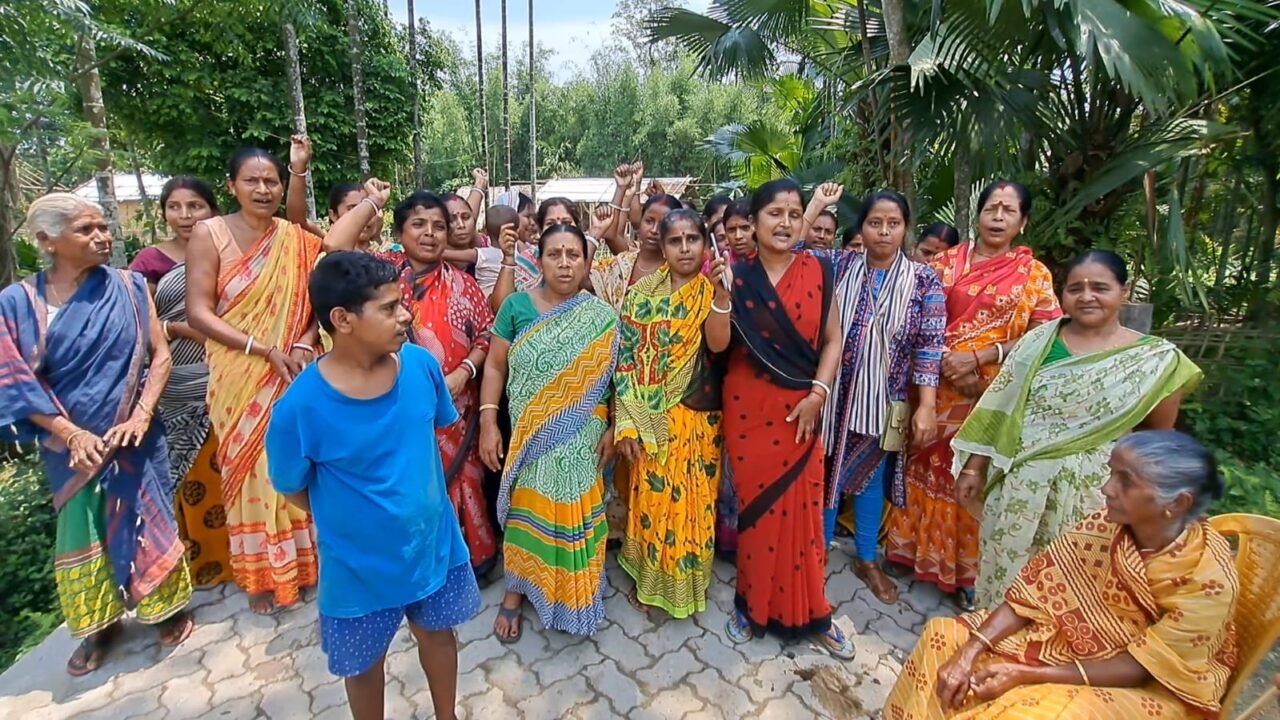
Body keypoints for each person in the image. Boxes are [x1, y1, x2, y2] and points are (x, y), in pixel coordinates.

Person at [885, 430, 1237, 719]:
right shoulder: (1106, 524)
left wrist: (1026, 674)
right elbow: (1030, 594)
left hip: (1153, 688)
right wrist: (970, 652)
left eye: (1125, 481)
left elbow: (1139, 668)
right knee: (945, 637)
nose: (1106, 489)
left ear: (1176, 503)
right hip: (1073, 647)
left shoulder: (1208, 580)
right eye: (1111, 473)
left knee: (1027, 713)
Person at [266, 252, 479, 720]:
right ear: (342, 320)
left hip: (432, 549)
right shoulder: (299, 409)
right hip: (357, 570)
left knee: (439, 636)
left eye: (402, 302)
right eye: (388, 308)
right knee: (363, 667)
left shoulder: (421, 367)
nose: (406, 315)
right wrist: (353, 522)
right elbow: (292, 487)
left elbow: (432, 433)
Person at [1, 193, 193, 675]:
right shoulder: (19, 303)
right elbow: (16, 378)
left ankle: (163, 606)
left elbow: (160, 354)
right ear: (47, 240)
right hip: (69, 445)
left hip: (134, 433)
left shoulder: (130, 287)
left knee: (149, 511)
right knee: (81, 525)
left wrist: (142, 414)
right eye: (86, 230)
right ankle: (98, 624)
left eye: (102, 226)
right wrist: (70, 434)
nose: (102, 236)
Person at [953, 250, 1202, 608]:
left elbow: (1156, 440)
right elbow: (999, 406)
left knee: (1072, 589)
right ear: (1062, 294)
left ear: (1124, 291)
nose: (1086, 296)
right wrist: (974, 466)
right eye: (1075, 288)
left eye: (1100, 287)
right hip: (1020, 487)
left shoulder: (1154, 361)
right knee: (1004, 582)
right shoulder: (1038, 342)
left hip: (1095, 495)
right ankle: (994, 652)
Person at [884, 180, 1063, 612]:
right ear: (978, 215)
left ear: (1023, 222)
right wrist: (948, 362)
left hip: (989, 395)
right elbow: (916, 315)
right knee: (921, 466)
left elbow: (1047, 338)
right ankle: (907, 552)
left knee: (971, 475)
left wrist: (982, 359)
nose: (998, 217)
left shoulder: (1034, 276)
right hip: (934, 387)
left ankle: (964, 573)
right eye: (992, 208)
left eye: (1009, 210)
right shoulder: (944, 264)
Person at [327, 183, 500, 578]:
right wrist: (373, 202)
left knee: (465, 483)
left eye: (438, 226)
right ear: (400, 233)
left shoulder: (463, 283)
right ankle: (417, 563)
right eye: (418, 224)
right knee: (408, 486)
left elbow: (488, 335)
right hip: (394, 408)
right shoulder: (379, 274)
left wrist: (464, 372)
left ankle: (474, 559)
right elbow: (335, 246)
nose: (430, 233)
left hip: (456, 408)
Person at [186, 146, 325, 614]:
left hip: (293, 370)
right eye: (252, 181)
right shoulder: (210, 234)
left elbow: (314, 305)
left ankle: (304, 566)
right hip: (239, 373)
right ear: (231, 186)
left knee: (292, 464)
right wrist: (259, 349)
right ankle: (262, 577)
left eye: (271, 182)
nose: (263, 190)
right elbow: (198, 311)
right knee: (248, 472)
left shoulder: (292, 239)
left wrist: (303, 343)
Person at [720, 179, 854, 659]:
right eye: (774, 213)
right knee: (758, 516)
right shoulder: (735, 276)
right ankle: (751, 606)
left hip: (803, 408)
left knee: (804, 514)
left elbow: (834, 339)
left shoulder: (821, 269)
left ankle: (814, 611)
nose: (785, 222)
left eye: (795, 213)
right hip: (748, 409)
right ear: (752, 222)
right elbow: (718, 346)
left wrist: (819, 392)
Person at [479, 224, 619, 640]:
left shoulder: (600, 316)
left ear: (586, 261)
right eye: (554, 254)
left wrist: (613, 424)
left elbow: (613, 379)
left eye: (573, 255)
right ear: (538, 260)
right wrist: (488, 421)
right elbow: (494, 366)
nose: (564, 263)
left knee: (575, 496)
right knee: (527, 508)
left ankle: (576, 590)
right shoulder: (516, 307)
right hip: (529, 434)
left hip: (584, 430)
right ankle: (516, 591)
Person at [816, 188, 946, 605]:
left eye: (894, 224)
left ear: (906, 229)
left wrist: (926, 406)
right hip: (832, 394)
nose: (884, 232)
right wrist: (817, 204)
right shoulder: (839, 265)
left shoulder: (924, 280)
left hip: (883, 399)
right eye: (875, 223)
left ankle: (867, 558)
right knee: (826, 473)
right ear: (862, 228)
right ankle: (817, 550)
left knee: (872, 478)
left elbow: (929, 346)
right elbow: (796, 248)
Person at [615, 209, 732, 618]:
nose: (684, 248)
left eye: (692, 240)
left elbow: (718, 348)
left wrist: (721, 297)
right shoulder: (641, 294)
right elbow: (626, 361)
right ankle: (650, 581)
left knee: (693, 505)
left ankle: (684, 586)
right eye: (675, 241)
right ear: (661, 247)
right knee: (652, 501)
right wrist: (627, 424)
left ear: (704, 243)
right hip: (649, 421)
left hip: (698, 421)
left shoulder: (711, 291)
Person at [133, 177, 233, 588]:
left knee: (237, 466)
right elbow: (142, 322)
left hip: (233, 371)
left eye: (195, 206)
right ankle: (207, 564)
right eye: (176, 207)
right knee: (195, 472)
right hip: (181, 382)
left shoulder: (230, 248)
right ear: (164, 213)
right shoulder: (151, 261)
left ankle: (249, 554)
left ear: (212, 209)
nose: (186, 216)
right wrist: (182, 329)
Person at [284, 135, 383, 250]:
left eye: (369, 210)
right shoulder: (329, 244)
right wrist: (298, 166)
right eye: (352, 209)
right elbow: (297, 220)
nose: (363, 216)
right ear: (334, 215)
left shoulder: (392, 253)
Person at [590, 193, 682, 311]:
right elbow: (582, 279)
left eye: (663, 224)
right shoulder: (621, 264)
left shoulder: (679, 272)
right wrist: (595, 233)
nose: (654, 230)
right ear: (641, 221)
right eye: (649, 221)